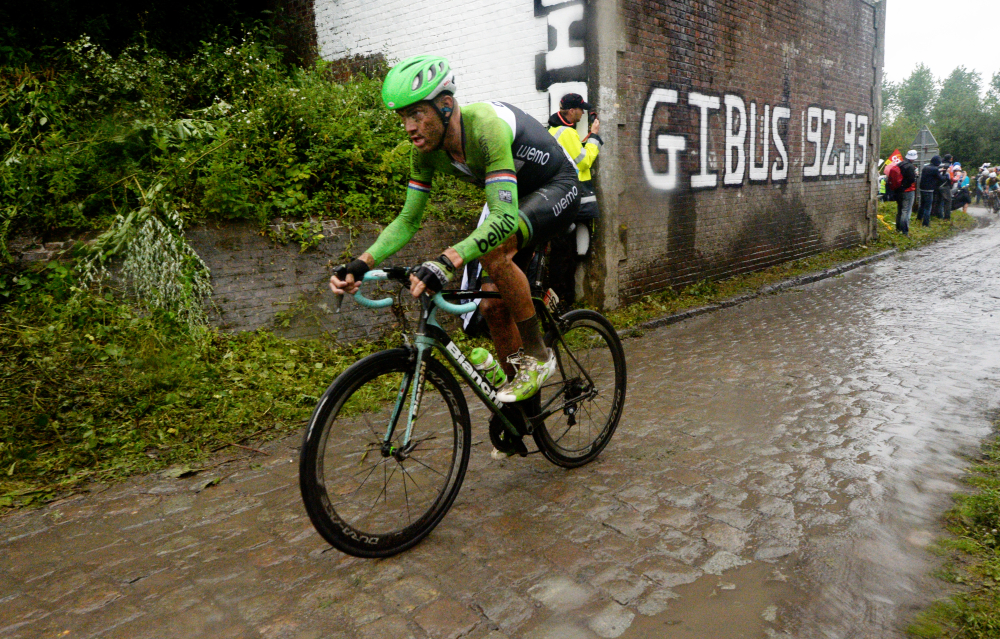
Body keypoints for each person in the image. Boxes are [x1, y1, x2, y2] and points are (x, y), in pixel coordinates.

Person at [329, 55, 580, 409]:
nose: (409, 127)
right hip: (510, 194)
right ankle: (523, 409)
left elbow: (504, 220)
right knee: (491, 307)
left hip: (557, 186)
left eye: (417, 114)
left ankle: (539, 355)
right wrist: (360, 263)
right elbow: (407, 220)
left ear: (446, 106)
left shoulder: (485, 128)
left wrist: (446, 260)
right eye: (403, 117)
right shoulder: (425, 152)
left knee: (494, 251)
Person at [547, 93, 603, 304]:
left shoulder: (555, 130)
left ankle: (559, 301)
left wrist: (585, 138)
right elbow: (584, 161)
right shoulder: (567, 133)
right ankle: (564, 303)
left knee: (562, 255)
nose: (582, 113)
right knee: (566, 257)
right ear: (571, 111)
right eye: (580, 109)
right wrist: (595, 136)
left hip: (560, 201)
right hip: (572, 202)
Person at [887, 150, 918, 235]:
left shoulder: (899, 164)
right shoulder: (910, 167)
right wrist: (905, 185)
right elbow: (911, 179)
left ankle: (898, 229)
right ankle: (905, 231)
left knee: (900, 210)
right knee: (906, 211)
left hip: (898, 191)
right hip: (907, 191)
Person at [918, 155, 945, 227]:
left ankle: (919, 218)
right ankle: (925, 223)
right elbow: (941, 178)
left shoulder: (925, 167)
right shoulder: (935, 169)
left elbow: (931, 172)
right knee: (928, 207)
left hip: (922, 188)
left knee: (922, 205)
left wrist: (939, 170)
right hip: (929, 190)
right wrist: (946, 175)